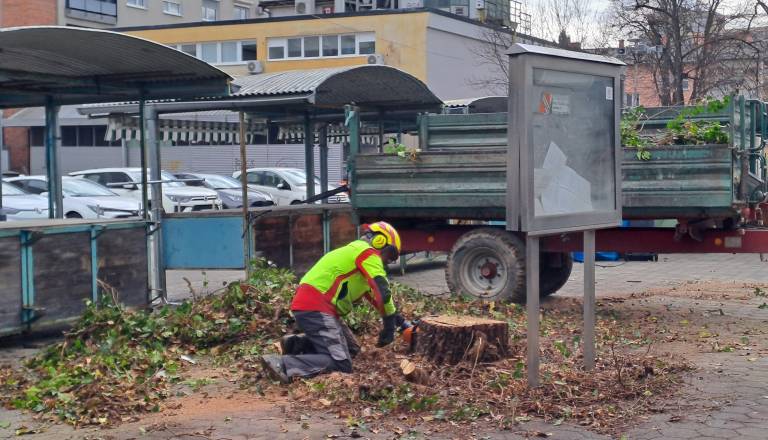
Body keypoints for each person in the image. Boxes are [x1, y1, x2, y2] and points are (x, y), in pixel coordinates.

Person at [260, 221, 403, 383]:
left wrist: (402, 324)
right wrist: (389, 327)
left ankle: (297, 344)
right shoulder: (367, 253)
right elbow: (383, 291)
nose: (388, 261)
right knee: (341, 363)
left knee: (352, 350)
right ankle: (283, 364)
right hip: (317, 307)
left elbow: (380, 301)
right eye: (390, 255)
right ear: (379, 241)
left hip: (316, 306)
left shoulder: (355, 259)